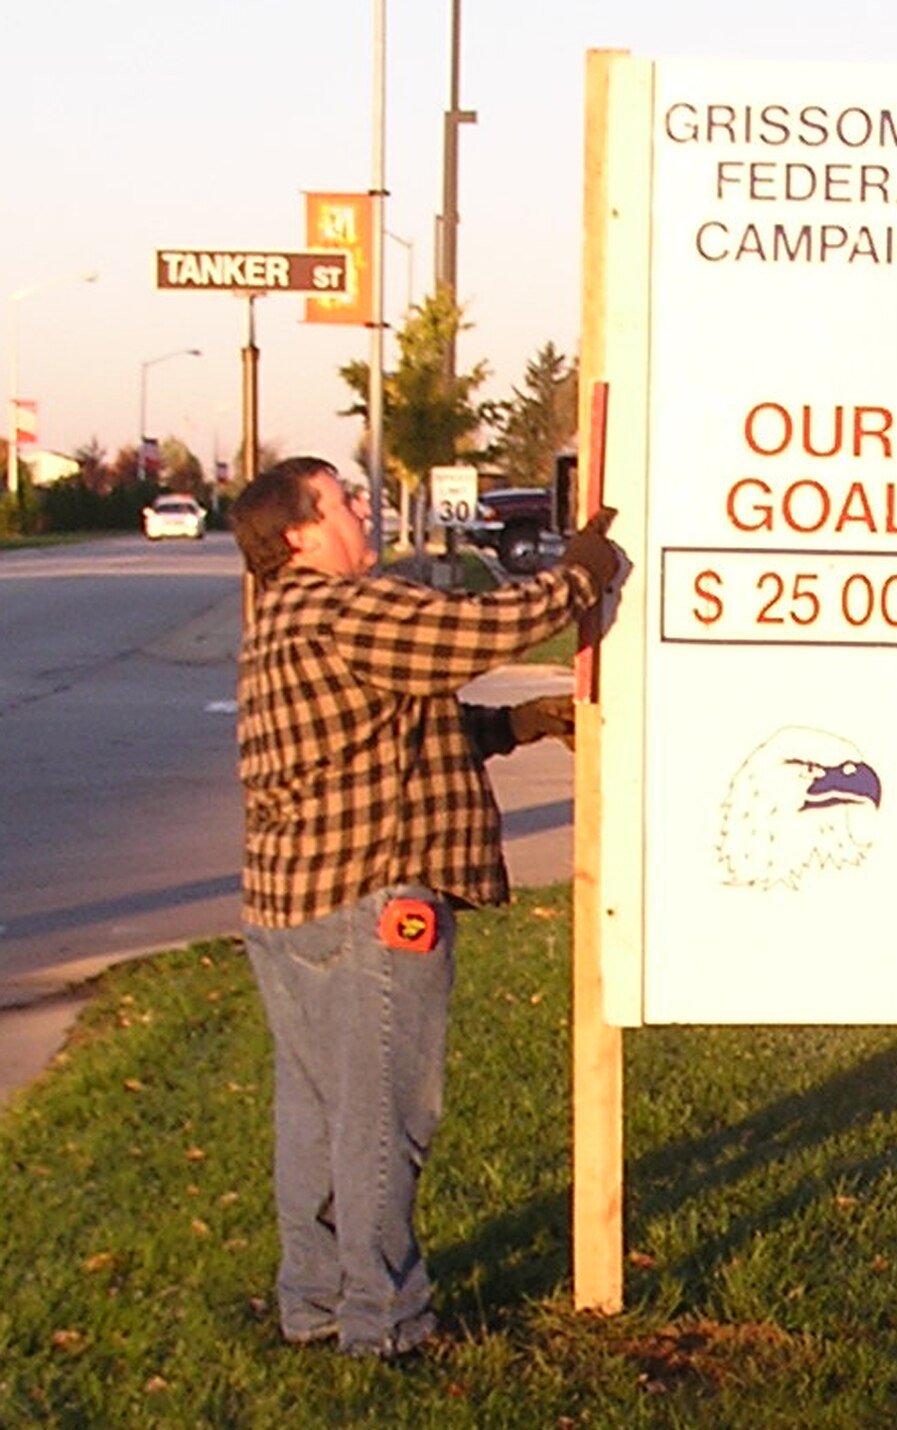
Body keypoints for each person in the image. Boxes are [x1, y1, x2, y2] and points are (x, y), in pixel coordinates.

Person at [230, 456, 621, 1359]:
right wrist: (580, 574)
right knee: (382, 1118)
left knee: (318, 1115)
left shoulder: (278, 621)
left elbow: (383, 734)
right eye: (344, 501)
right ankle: (387, 1326)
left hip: (288, 909)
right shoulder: (343, 608)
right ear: (299, 532)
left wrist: (517, 726)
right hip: (371, 900)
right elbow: (472, 631)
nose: (363, 510)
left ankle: (315, 1302)